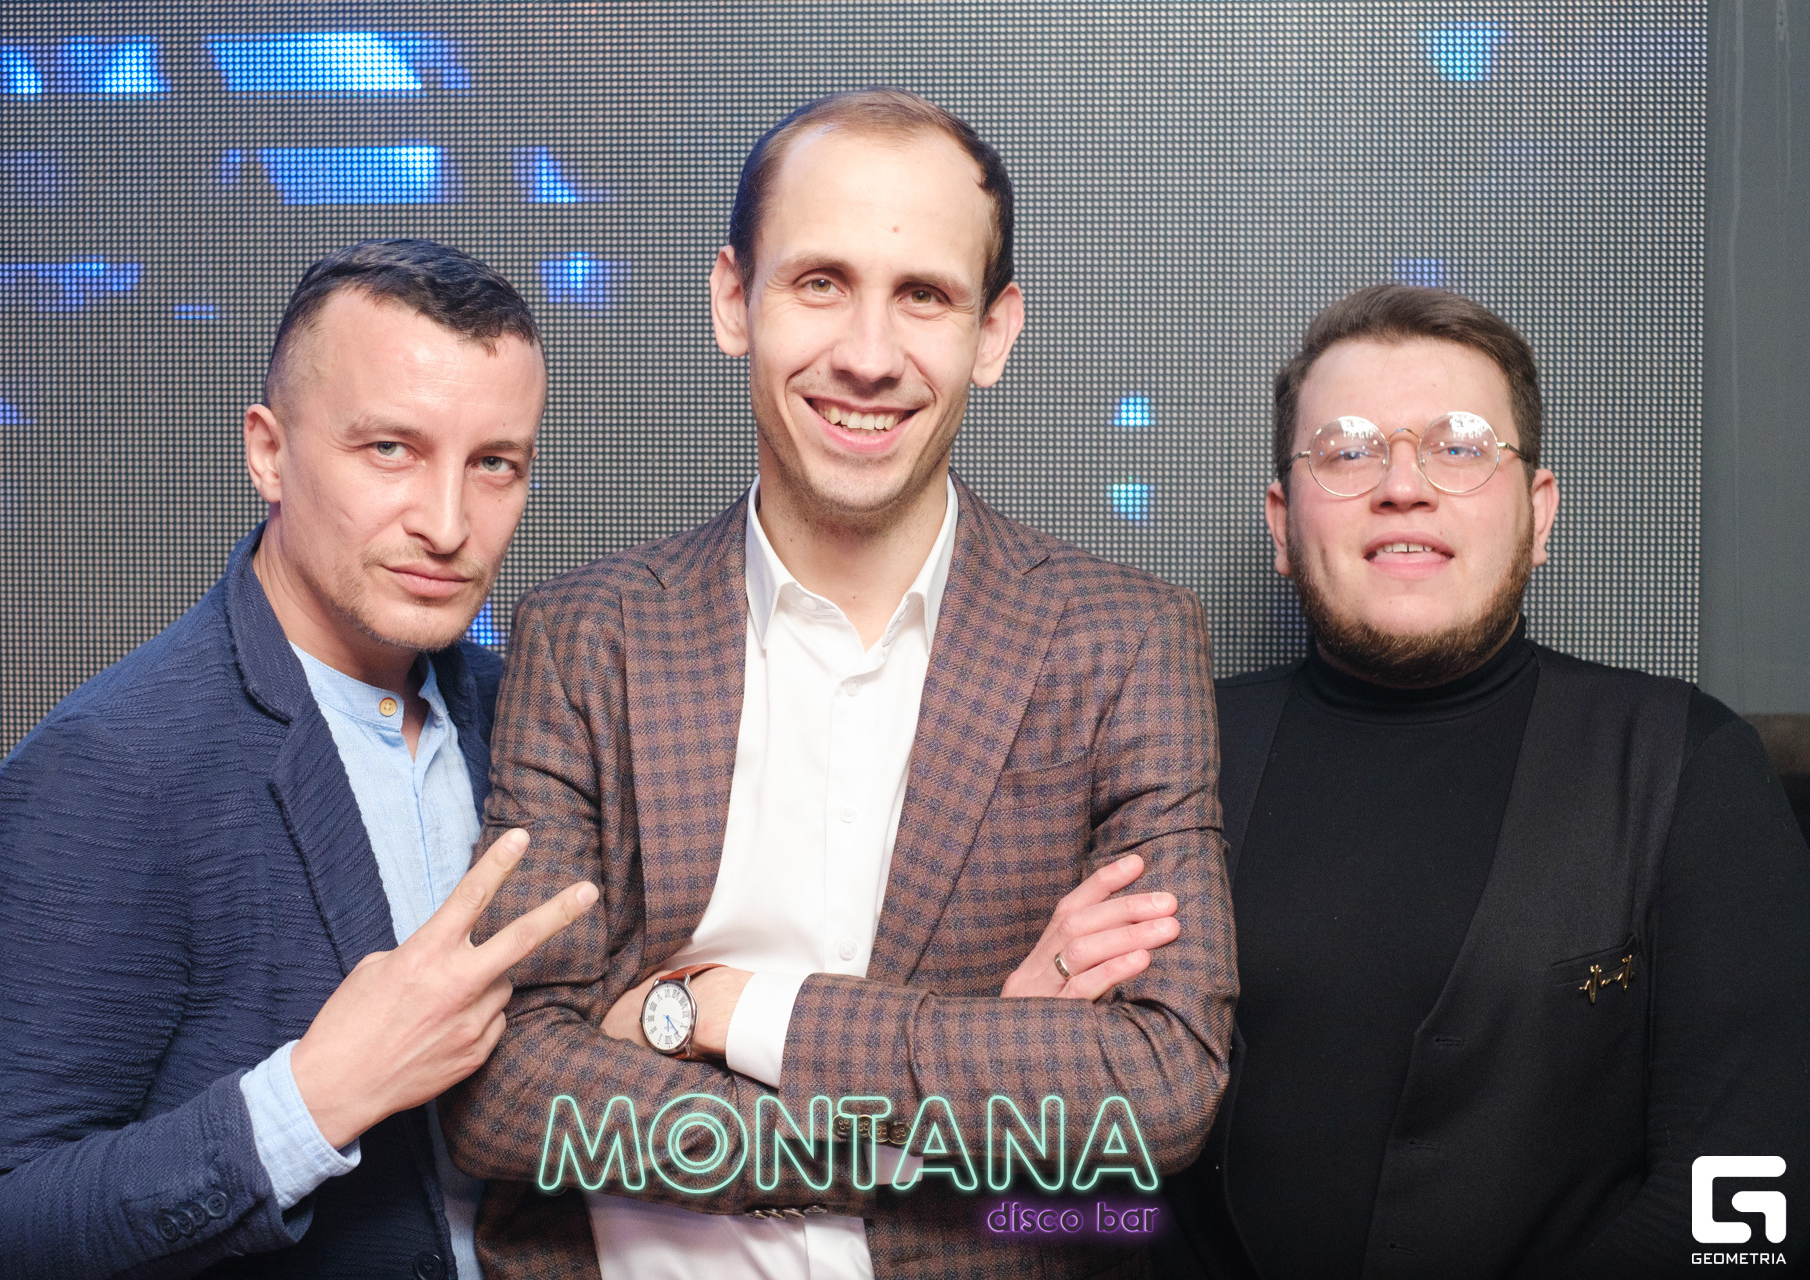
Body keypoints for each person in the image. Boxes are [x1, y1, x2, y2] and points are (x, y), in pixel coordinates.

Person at [438, 89, 1236, 1280]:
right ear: (734, 300)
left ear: (995, 332)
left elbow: (1156, 1093)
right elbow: (505, 1092)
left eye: (925, 296)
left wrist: (720, 1009)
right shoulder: (589, 634)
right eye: (820, 282)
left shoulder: (1122, 644)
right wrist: (950, 1101)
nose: (867, 355)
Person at [0, 239, 597, 1279]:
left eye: (494, 464)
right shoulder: (112, 768)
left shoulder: (526, 713)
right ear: (268, 454)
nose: (448, 523)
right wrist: (314, 1098)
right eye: (390, 449)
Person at [1157, 283, 1810, 1279]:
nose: (1402, 485)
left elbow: (1751, 1192)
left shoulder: (1683, 763)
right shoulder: (1167, 754)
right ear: (1282, 525)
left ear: (1539, 514)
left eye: (1460, 446)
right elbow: (1069, 1166)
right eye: (1347, 450)